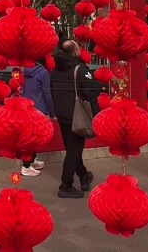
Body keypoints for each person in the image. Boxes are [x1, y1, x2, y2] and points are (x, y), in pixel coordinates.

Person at [50, 38, 100, 199]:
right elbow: (90, 92)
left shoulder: (55, 70)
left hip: (62, 115)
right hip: (76, 116)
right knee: (74, 150)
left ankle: (84, 176)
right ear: (76, 52)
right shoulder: (80, 69)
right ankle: (65, 185)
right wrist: (96, 115)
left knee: (72, 149)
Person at [21, 58, 55, 177]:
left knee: (29, 136)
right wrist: (52, 112)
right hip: (39, 108)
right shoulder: (43, 73)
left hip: (26, 107)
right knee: (33, 139)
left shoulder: (26, 71)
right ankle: (26, 166)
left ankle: (31, 161)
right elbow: (47, 93)